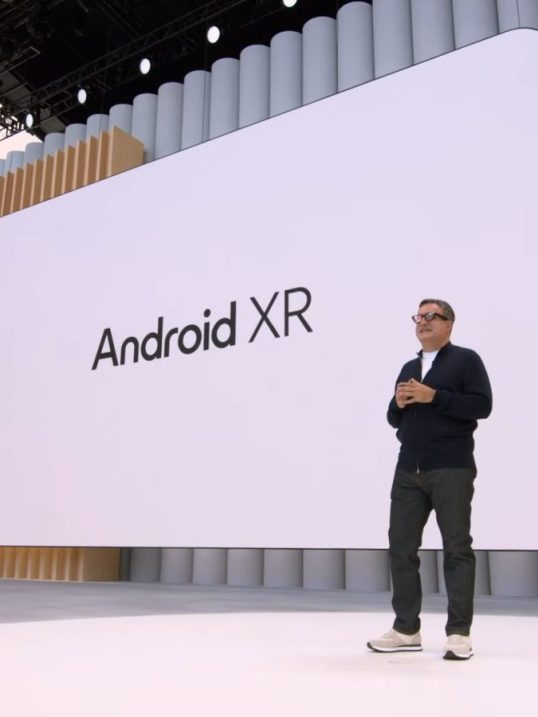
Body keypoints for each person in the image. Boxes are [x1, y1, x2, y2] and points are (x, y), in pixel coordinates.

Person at [367, 299, 492, 660]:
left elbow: (482, 406)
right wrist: (398, 403)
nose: (422, 322)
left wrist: (434, 396)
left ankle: (459, 633)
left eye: (430, 316)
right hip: (409, 469)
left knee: (456, 548)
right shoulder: (409, 367)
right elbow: (394, 418)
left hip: (451, 467)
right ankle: (406, 629)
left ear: (449, 324)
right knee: (401, 548)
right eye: (418, 317)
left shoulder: (466, 360)